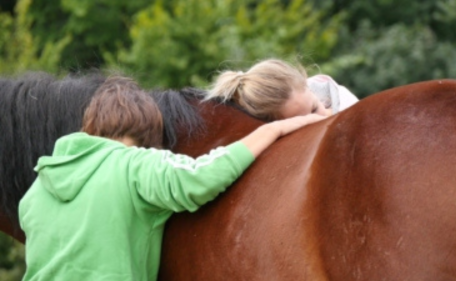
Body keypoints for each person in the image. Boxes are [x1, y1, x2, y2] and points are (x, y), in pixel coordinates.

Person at [18, 75, 325, 281]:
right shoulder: (134, 165)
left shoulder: (37, 189)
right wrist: (272, 129)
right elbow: (201, 178)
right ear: (150, 131)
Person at [205, 59, 358, 120]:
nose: (319, 118)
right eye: (303, 122)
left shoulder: (349, 106)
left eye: (314, 108)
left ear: (308, 87)